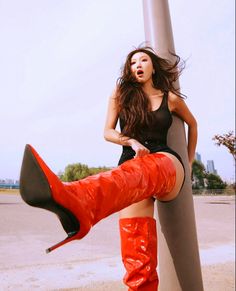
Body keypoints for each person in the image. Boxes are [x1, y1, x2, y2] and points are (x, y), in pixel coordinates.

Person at [19, 46, 197, 291]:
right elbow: (107, 131)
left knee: (144, 170)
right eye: (133, 62)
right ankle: (81, 202)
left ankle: (80, 198)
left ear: (153, 66)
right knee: (138, 259)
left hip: (165, 162)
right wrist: (131, 141)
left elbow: (193, 124)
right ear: (129, 69)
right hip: (130, 174)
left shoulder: (170, 98)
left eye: (144, 60)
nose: (138, 65)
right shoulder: (121, 94)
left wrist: (188, 162)